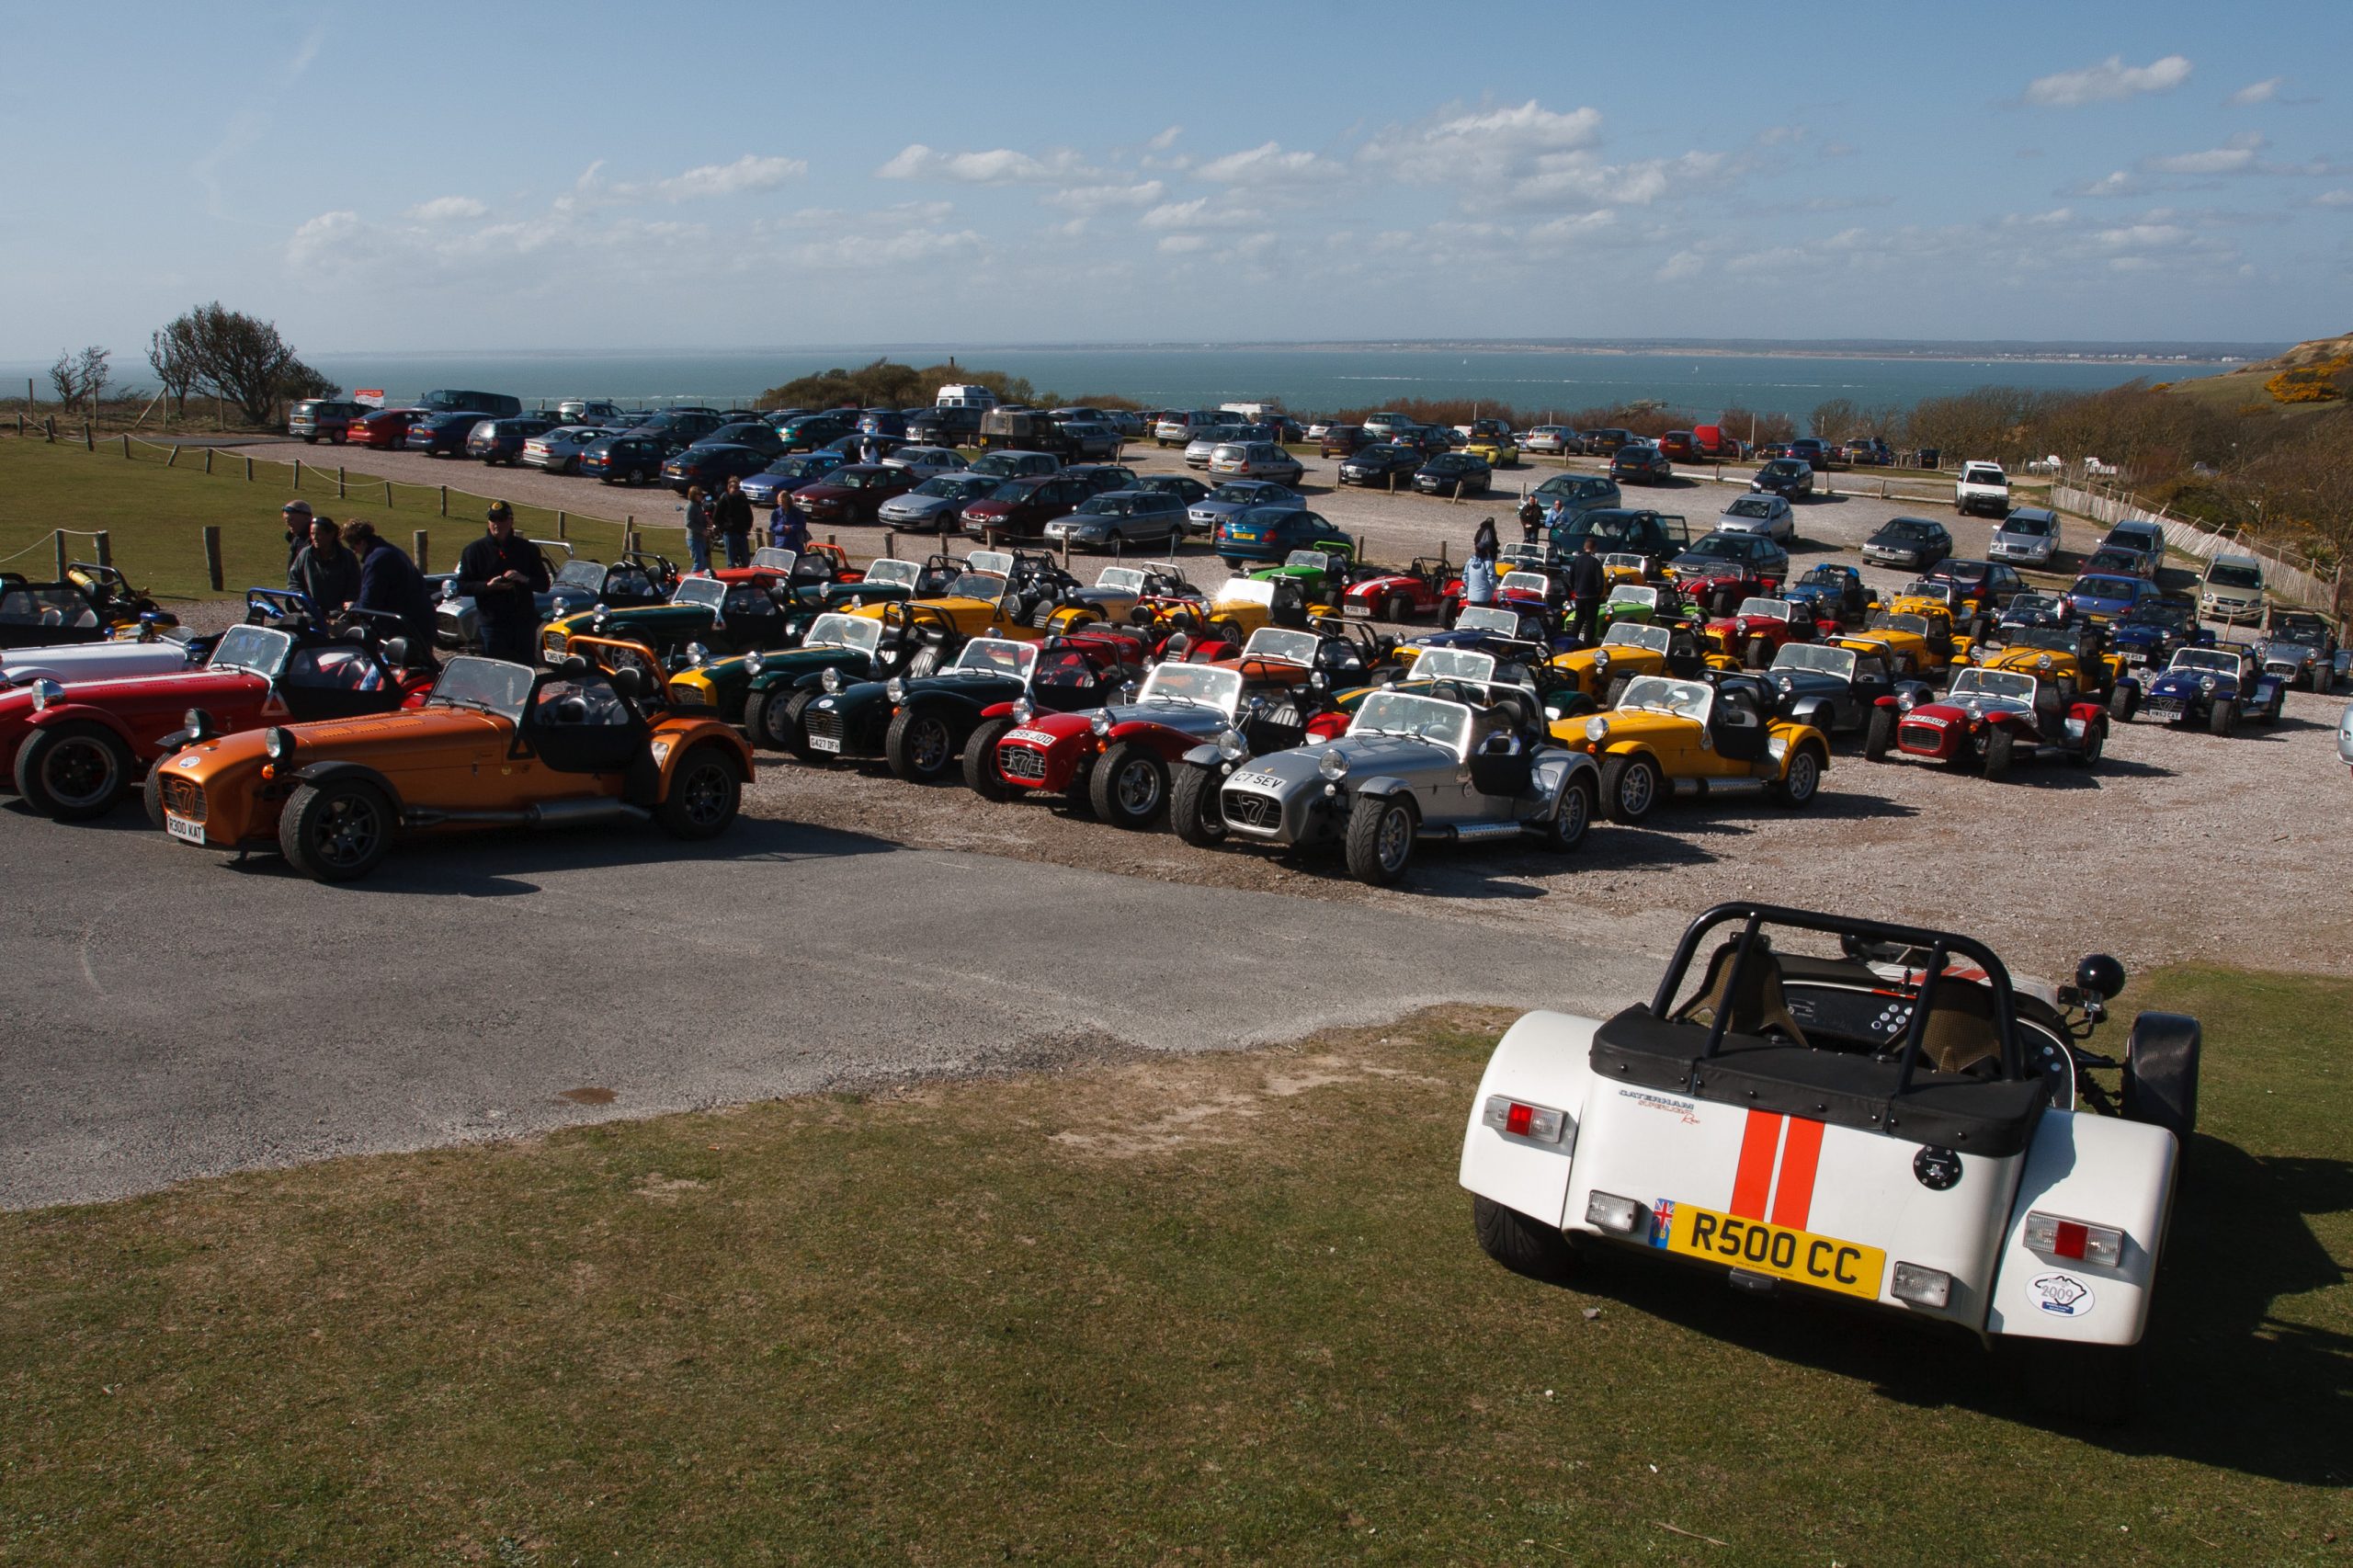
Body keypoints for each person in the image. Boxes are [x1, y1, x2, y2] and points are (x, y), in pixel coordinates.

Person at [457, 502, 551, 665]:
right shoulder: (474, 551)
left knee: (524, 672)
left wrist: (524, 579)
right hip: (493, 625)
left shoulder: (527, 549)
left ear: (510, 521)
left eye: (501, 519)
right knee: (495, 673)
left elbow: (544, 585)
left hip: (523, 625)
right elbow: (462, 586)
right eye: (493, 519)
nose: (497, 524)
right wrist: (487, 586)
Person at [344, 519, 439, 670]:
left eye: (352, 546)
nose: (354, 551)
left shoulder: (377, 560)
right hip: (418, 621)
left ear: (361, 542)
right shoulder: (389, 551)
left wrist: (353, 607)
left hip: (404, 627)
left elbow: (369, 601)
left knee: (389, 672)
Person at [288, 515, 361, 623]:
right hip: (311, 615)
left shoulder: (347, 557)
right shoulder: (305, 554)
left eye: (319, 534)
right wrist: (308, 605)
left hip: (341, 618)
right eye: (312, 534)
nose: (315, 537)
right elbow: (294, 583)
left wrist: (340, 609)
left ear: (331, 534)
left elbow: (355, 587)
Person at [1567, 535, 1608, 649]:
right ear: (1594, 548)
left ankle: (1572, 642)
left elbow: (1571, 577)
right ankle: (1587, 644)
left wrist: (1575, 589)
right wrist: (1598, 593)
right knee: (1590, 622)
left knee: (1578, 620)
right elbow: (1600, 581)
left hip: (1579, 595)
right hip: (1592, 596)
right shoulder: (1595, 561)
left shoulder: (1577, 560)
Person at [712, 475, 755, 569]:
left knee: (745, 559)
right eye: (735, 488)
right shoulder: (724, 498)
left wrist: (748, 526)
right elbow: (716, 517)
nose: (737, 490)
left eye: (739, 487)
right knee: (731, 560)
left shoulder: (742, 496)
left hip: (742, 532)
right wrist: (723, 528)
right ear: (729, 487)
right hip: (729, 533)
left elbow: (748, 513)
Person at [683, 485, 712, 574]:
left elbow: (700, 519)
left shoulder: (699, 506)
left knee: (703, 564)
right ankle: (690, 580)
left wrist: (707, 521)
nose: (701, 496)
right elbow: (688, 523)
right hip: (693, 538)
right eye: (699, 494)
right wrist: (701, 530)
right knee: (699, 562)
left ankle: (699, 582)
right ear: (693, 495)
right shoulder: (690, 507)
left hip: (701, 538)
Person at [282, 499, 315, 570]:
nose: (287, 523)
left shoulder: (315, 540)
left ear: (306, 518)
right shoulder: (295, 538)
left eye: (291, 519)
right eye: (286, 520)